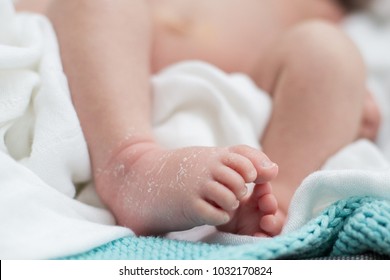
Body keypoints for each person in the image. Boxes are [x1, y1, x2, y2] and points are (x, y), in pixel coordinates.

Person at [15, 0, 380, 237]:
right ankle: (129, 163)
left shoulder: (337, 13)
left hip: (242, 108)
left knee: (330, 51)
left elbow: (334, 83)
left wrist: (345, 104)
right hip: (98, 75)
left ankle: (276, 206)